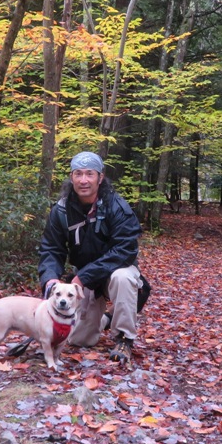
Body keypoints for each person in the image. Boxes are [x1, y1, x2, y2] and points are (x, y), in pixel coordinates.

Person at [38, 151, 143, 363]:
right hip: (86, 279)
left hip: (115, 271)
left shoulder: (117, 207)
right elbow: (51, 249)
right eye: (78, 174)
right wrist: (50, 279)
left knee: (123, 278)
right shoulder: (61, 211)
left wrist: (83, 277)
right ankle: (105, 319)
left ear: (100, 178)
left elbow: (125, 250)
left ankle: (124, 339)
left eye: (89, 174)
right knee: (79, 340)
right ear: (71, 177)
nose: (83, 180)